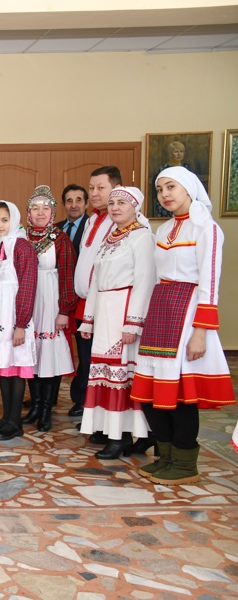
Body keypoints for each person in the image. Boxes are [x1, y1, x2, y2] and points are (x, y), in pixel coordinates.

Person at [132, 168, 235, 485]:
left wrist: (201, 331)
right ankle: (166, 456)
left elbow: (210, 283)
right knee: (150, 392)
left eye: (171, 186)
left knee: (178, 396)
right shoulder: (164, 231)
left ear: (189, 188)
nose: (165, 194)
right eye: (160, 188)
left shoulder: (207, 229)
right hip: (162, 308)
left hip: (187, 313)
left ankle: (185, 460)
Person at [78, 187, 154, 459]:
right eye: (111, 203)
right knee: (104, 373)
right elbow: (95, 281)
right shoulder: (110, 237)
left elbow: (145, 280)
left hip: (124, 311)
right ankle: (114, 431)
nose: (115, 207)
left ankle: (122, 436)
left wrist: (133, 323)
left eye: (122, 202)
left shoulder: (141, 237)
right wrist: (89, 319)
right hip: (106, 312)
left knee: (122, 377)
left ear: (135, 207)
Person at [0, 201, 39, 440]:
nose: (0, 225)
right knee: (4, 368)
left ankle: (15, 422)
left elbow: (28, 285)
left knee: (16, 368)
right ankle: (5, 418)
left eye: (4, 220)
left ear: (14, 219)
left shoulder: (23, 247)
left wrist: (21, 323)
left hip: (13, 314)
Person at [22, 185, 76, 433]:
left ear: (53, 212)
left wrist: (64, 310)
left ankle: (45, 409)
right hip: (27, 300)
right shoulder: (20, 238)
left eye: (45, 208)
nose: (40, 212)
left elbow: (67, 276)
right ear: (28, 213)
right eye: (35, 208)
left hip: (51, 300)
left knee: (49, 355)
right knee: (30, 354)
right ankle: (34, 404)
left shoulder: (60, 239)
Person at [71, 166, 121, 420]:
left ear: (116, 188)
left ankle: (102, 414)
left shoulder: (122, 221)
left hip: (106, 305)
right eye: (91, 188)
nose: (94, 193)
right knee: (87, 360)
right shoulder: (91, 220)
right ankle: (88, 407)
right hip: (84, 303)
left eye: (101, 187)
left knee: (101, 362)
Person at [57, 184, 88, 254]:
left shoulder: (92, 226)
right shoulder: (55, 228)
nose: (73, 206)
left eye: (78, 200)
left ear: (86, 204)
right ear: (63, 204)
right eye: (69, 201)